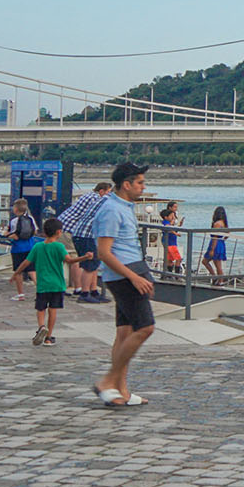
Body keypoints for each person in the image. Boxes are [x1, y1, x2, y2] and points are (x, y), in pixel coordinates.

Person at [91, 163, 155, 407]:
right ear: (126, 185)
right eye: (140, 182)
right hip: (125, 274)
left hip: (132, 269)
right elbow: (104, 252)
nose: (144, 186)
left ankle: (121, 390)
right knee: (145, 328)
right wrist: (134, 277)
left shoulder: (123, 207)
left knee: (125, 331)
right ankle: (108, 381)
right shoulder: (111, 210)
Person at [59, 181, 115, 303]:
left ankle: (93, 291)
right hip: (80, 233)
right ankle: (83, 292)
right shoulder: (106, 201)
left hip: (79, 232)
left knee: (93, 263)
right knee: (85, 263)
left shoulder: (96, 197)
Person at [28, 217, 78, 346]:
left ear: (44, 232)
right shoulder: (59, 246)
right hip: (57, 285)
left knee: (40, 308)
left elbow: (27, 262)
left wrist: (16, 273)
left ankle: (41, 327)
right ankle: (49, 337)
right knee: (53, 310)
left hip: (42, 284)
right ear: (59, 232)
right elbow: (69, 261)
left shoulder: (38, 246)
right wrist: (84, 257)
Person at [6, 199, 40, 300]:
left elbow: (13, 235)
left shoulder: (14, 221)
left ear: (15, 209)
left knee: (18, 271)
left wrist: (6, 235)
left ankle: (20, 294)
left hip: (17, 249)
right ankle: (40, 292)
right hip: (30, 247)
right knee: (32, 270)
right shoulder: (30, 219)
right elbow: (35, 231)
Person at [203, 206, 230, 279]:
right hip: (221, 243)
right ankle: (216, 278)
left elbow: (215, 237)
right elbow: (228, 234)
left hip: (215, 243)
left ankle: (218, 279)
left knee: (214, 263)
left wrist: (212, 249)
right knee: (216, 263)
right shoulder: (224, 223)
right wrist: (222, 240)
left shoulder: (217, 224)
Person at [159, 202, 184, 273]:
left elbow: (172, 228)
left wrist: (178, 226)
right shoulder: (166, 223)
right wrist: (176, 233)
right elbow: (168, 228)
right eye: (171, 217)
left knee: (169, 260)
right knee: (178, 258)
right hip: (170, 242)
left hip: (171, 241)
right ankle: (176, 274)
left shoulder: (168, 223)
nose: (173, 218)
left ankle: (169, 274)